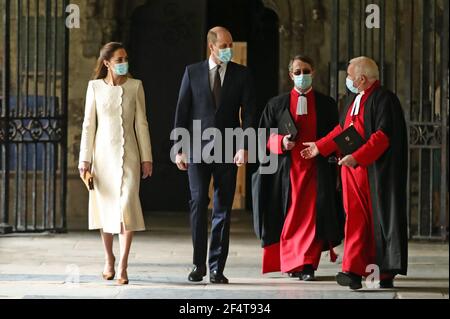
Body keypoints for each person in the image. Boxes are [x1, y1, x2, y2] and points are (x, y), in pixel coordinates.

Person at [301, 56, 408, 289]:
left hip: (372, 174)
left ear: (361, 79)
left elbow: (382, 137)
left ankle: (379, 272)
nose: (347, 80)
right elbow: (343, 131)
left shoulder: (384, 100)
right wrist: (320, 146)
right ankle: (353, 270)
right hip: (351, 172)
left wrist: (358, 157)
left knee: (376, 223)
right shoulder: (354, 100)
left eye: (349, 76)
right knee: (355, 221)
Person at [173, 26, 256, 284]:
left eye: (230, 44)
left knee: (223, 209)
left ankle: (217, 267)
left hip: (229, 150)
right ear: (212, 47)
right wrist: (178, 148)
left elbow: (250, 113)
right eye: (224, 45)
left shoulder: (242, 74)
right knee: (198, 203)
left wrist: (245, 146)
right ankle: (199, 266)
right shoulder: (192, 72)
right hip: (197, 149)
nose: (229, 49)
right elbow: (182, 111)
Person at [253, 55, 344, 281]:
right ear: (290, 75)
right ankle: (292, 263)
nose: (302, 75)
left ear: (313, 72)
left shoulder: (327, 104)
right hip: (286, 172)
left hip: (317, 171)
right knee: (289, 217)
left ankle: (307, 265)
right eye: (297, 71)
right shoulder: (276, 104)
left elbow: (338, 134)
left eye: (306, 70)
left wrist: (322, 148)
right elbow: (262, 135)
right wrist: (280, 142)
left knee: (312, 218)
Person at [78, 42, 153, 285]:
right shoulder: (95, 88)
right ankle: (109, 258)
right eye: (119, 59)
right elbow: (88, 125)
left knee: (127, 206)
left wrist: (146, 158)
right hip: (102, 158)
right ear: (107, 63)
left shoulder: (135, 86)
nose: (124, 63)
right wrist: (84, 160)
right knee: (106, 209)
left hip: (129, 155)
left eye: (125, 58)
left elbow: (142, 124)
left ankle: (123, 265)